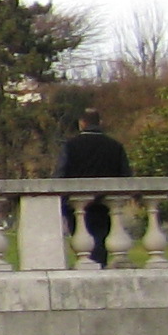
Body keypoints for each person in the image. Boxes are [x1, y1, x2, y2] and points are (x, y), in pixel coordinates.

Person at [56, 111, 130, 265]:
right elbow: (125, 176)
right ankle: (100, 266)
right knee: (100, 242)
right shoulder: (115, 146)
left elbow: (60, 174)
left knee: (82, 242)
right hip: (105, 205)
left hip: (76, 204)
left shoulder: (70, 146)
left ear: (81, 123)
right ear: (100, 122)